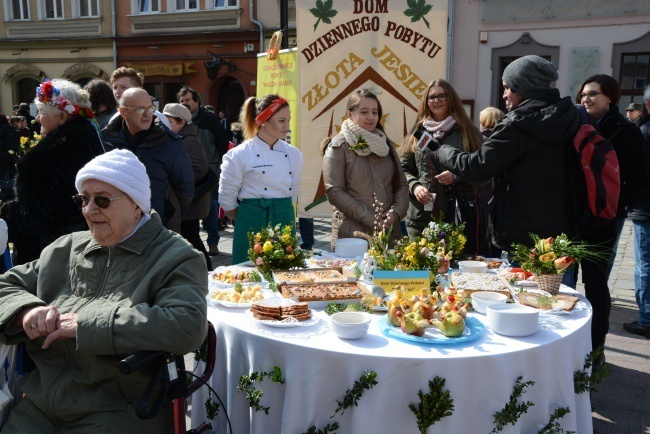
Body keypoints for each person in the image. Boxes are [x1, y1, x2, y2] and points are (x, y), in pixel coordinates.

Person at [0, 149, 208, 432]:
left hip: (118, 409)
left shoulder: (176, 256)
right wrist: (26, 311)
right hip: (40, 403)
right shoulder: (67, 248)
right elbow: (5, 285)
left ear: (137, 205)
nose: (88, 209)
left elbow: (187, 325)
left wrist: (86, 325)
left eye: (102, 200)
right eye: (83, 199)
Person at [432, 55, 581, 258]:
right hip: (564, 230)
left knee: (525, 288)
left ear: (523, 87)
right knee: (558, 288)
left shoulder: (517, 124)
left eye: (507, 87)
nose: (504, 95)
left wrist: (442, 150)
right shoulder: (572, 115)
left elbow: (477, 166)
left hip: (526, 235)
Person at [575, 74, 648, 351]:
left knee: (595, 282)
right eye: (583, 94)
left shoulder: (626, 131)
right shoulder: (575, 125)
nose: (586, 99)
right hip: (574, 215)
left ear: (610, 98)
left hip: (603, 218)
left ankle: (596, 345)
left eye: (593, 94)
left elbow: (640, 179)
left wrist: (615, 205)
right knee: (561, 278)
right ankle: (566, 341)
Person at [0, 79, 104, 265]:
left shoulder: (70, 148)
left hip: (54, 254)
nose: (37, 118)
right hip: (51, 248)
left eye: (41, 112)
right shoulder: (72, 140)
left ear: (62, 117)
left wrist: (12, 216)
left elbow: (58, 211)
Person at [400, 79, 491, 257]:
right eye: (431, 97)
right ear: (426, 102)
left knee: (456, 273)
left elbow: (485, 170)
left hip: (458, 218)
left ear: (451, 99)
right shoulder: (417, 133)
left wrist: (458, 176)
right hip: (422, 219)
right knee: (422, 274)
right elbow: (402, 169)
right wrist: (415, 186)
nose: (436, 100)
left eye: (442, 95)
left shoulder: (467, 131)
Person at [219, 94, 303, 264]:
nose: (287, 126)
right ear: (264, 120)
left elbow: (295, 192)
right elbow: (226, 198)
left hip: (284, 221)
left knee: (283, 274)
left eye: (288, 120)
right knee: (249, 276)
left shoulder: (294, 154)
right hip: (251, 223)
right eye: (281, 121)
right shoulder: (238, 155)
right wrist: (246, 216)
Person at [322, 89, 408, 249]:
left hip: (389, 235)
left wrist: (395, 214)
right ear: (349, 114)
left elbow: (402, 185)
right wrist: (373, 219)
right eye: (364, 112)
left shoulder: (385, 144)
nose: (371, 117)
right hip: (352, 238)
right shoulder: (338, 146)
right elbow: (334, 192)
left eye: (375, 112)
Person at [102, 88, 194, 233]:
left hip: (156, 229)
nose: (147, 114)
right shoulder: (105, 141)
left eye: (150, 108)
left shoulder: (170, 144)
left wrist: (169, 219)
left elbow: (185, 191)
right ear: (123, 112)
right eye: (140, 109)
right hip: (114, 228)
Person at [178, 86, 229, 256]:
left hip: (210, 171)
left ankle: (213, 242)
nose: (184, 103)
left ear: (196, 101)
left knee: (211, 208)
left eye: (187, 100)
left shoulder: (209, 119)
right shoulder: (178, 120)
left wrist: (215, 164)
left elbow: (222, 142)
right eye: (182, 101)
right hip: (188, 174)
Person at [163, 103, 213, 271]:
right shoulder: (178, 138)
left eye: (169, 121)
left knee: (192, 237)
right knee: (190, 237)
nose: (164, 124)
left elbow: (200, 167)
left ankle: (208, 270)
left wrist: (176, 177)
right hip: (187, 201)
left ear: (181, 123)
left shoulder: (189, 140)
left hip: (191, 203)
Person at [625, 84, 650, 338]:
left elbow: (638, 172)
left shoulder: (644, 130)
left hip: (645, 207)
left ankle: (646, 318)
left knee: (645, 264)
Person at [0, 113, 20, 203]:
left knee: (7, 197)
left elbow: (12, 152)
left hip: (7, 169)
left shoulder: (9, 133)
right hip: (4, 168)